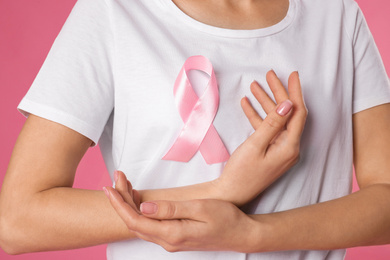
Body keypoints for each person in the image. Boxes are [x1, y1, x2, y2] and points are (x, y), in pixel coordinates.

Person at [0, 0, 389, 259]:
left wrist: (250, 233)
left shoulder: (335, 13)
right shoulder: (114, 12)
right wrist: (221, 192)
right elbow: (17, 219)